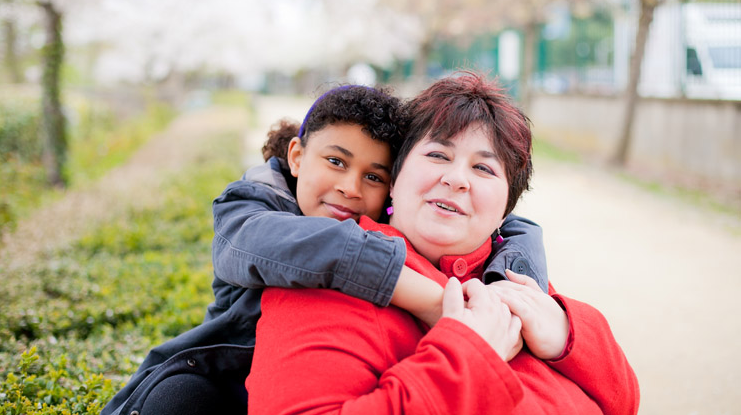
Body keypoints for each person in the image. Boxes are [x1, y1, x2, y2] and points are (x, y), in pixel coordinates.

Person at [101, 84, 548, 415]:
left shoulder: (398, 225)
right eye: (335, 162)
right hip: (219, 380)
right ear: (297, 157)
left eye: (374, 177)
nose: (349, 188)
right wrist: (427, 297)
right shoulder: (255, 206)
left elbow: (514, 225)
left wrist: (510, 290)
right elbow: (292, 247)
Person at [246, 71, 639, 414]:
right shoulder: (332, 272)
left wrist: (566, 333)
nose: (457, 179)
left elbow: (624, 401)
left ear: (506, 208)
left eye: (484, 168)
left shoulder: (513, 275)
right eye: (437, 154)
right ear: (394, 179)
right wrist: (468, 357)